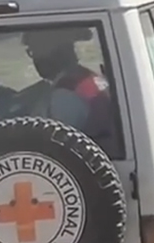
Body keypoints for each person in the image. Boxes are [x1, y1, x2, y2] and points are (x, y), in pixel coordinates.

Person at [23, 28, 123, 156]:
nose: (35, 60)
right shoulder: (86, 77)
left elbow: (56, 149)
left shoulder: (64, 95)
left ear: (55, 53)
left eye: (35, 52)